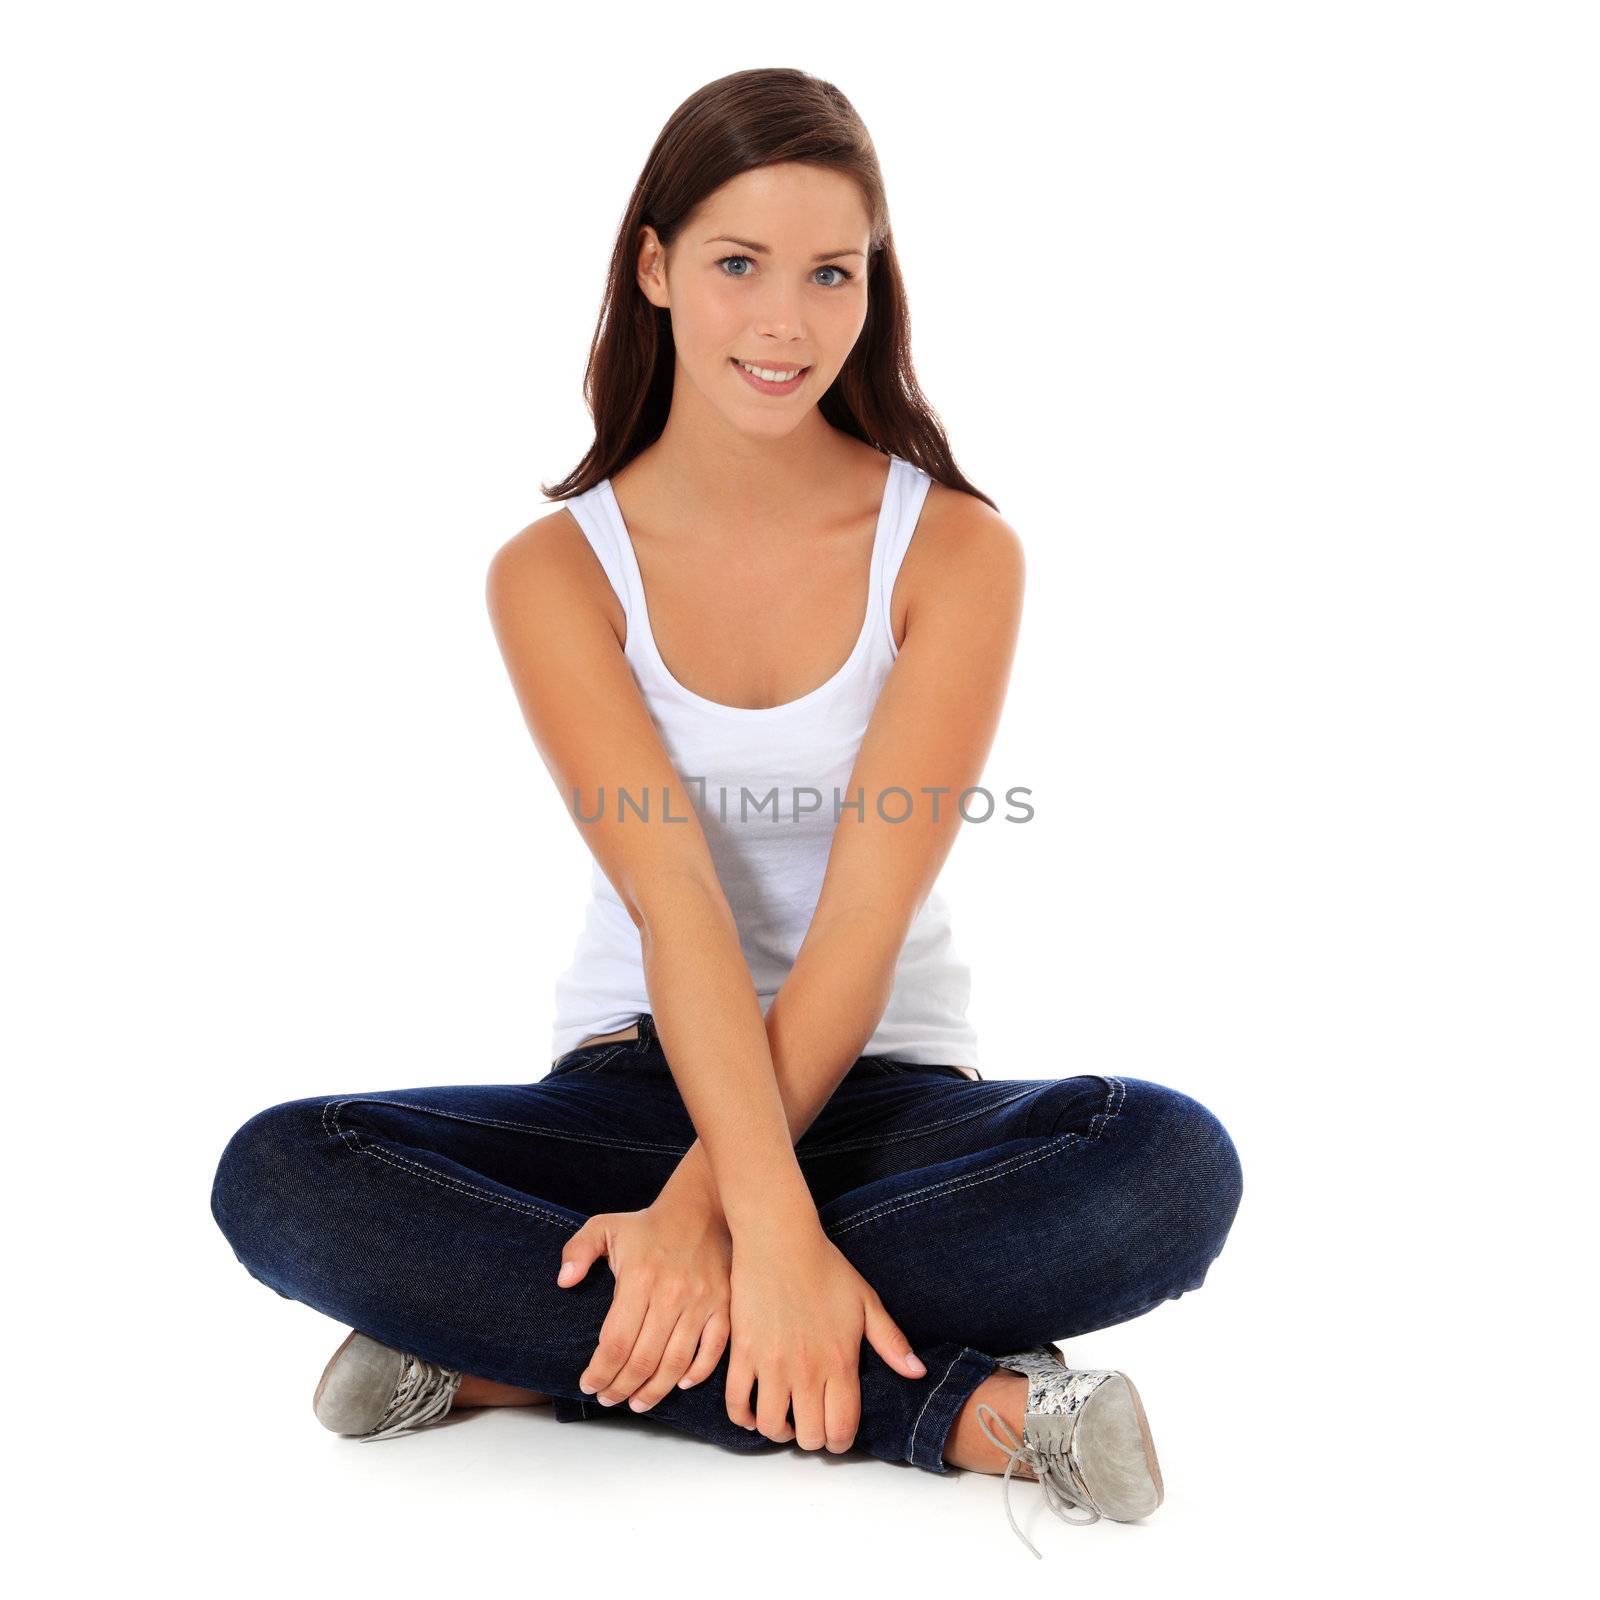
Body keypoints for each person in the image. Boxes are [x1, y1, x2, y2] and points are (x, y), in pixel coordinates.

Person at [209, 66, 1244, 1560]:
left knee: (1164, 1165)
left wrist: (733, 1220)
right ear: (654, 267)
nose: (786, 322)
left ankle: (509, 1356)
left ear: (872, 285)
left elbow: (863, 922)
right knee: (283, 1174)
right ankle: (959, 1417)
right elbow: (677, 904)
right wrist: (731, 1213)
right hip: (630, 1087)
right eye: (738, 265)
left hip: (885, 1091)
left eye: (831, 273)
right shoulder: (554, 572)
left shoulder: (954, 550)